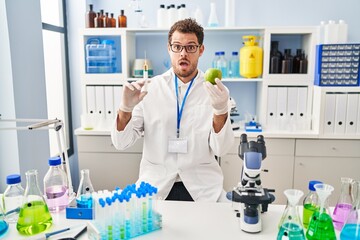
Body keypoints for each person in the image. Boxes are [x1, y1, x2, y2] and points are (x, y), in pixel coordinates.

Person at [111, 18, 234, 202]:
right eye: (177, 46)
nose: (183, 53)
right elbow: (121, 142)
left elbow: (222, 149)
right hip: (155, 185)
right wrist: (125, 109)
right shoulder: (149, 88)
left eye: (191, 47)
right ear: (169, 49)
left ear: (201, 50)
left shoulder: (215, 91)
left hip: (203, 187)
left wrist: (220, 111)